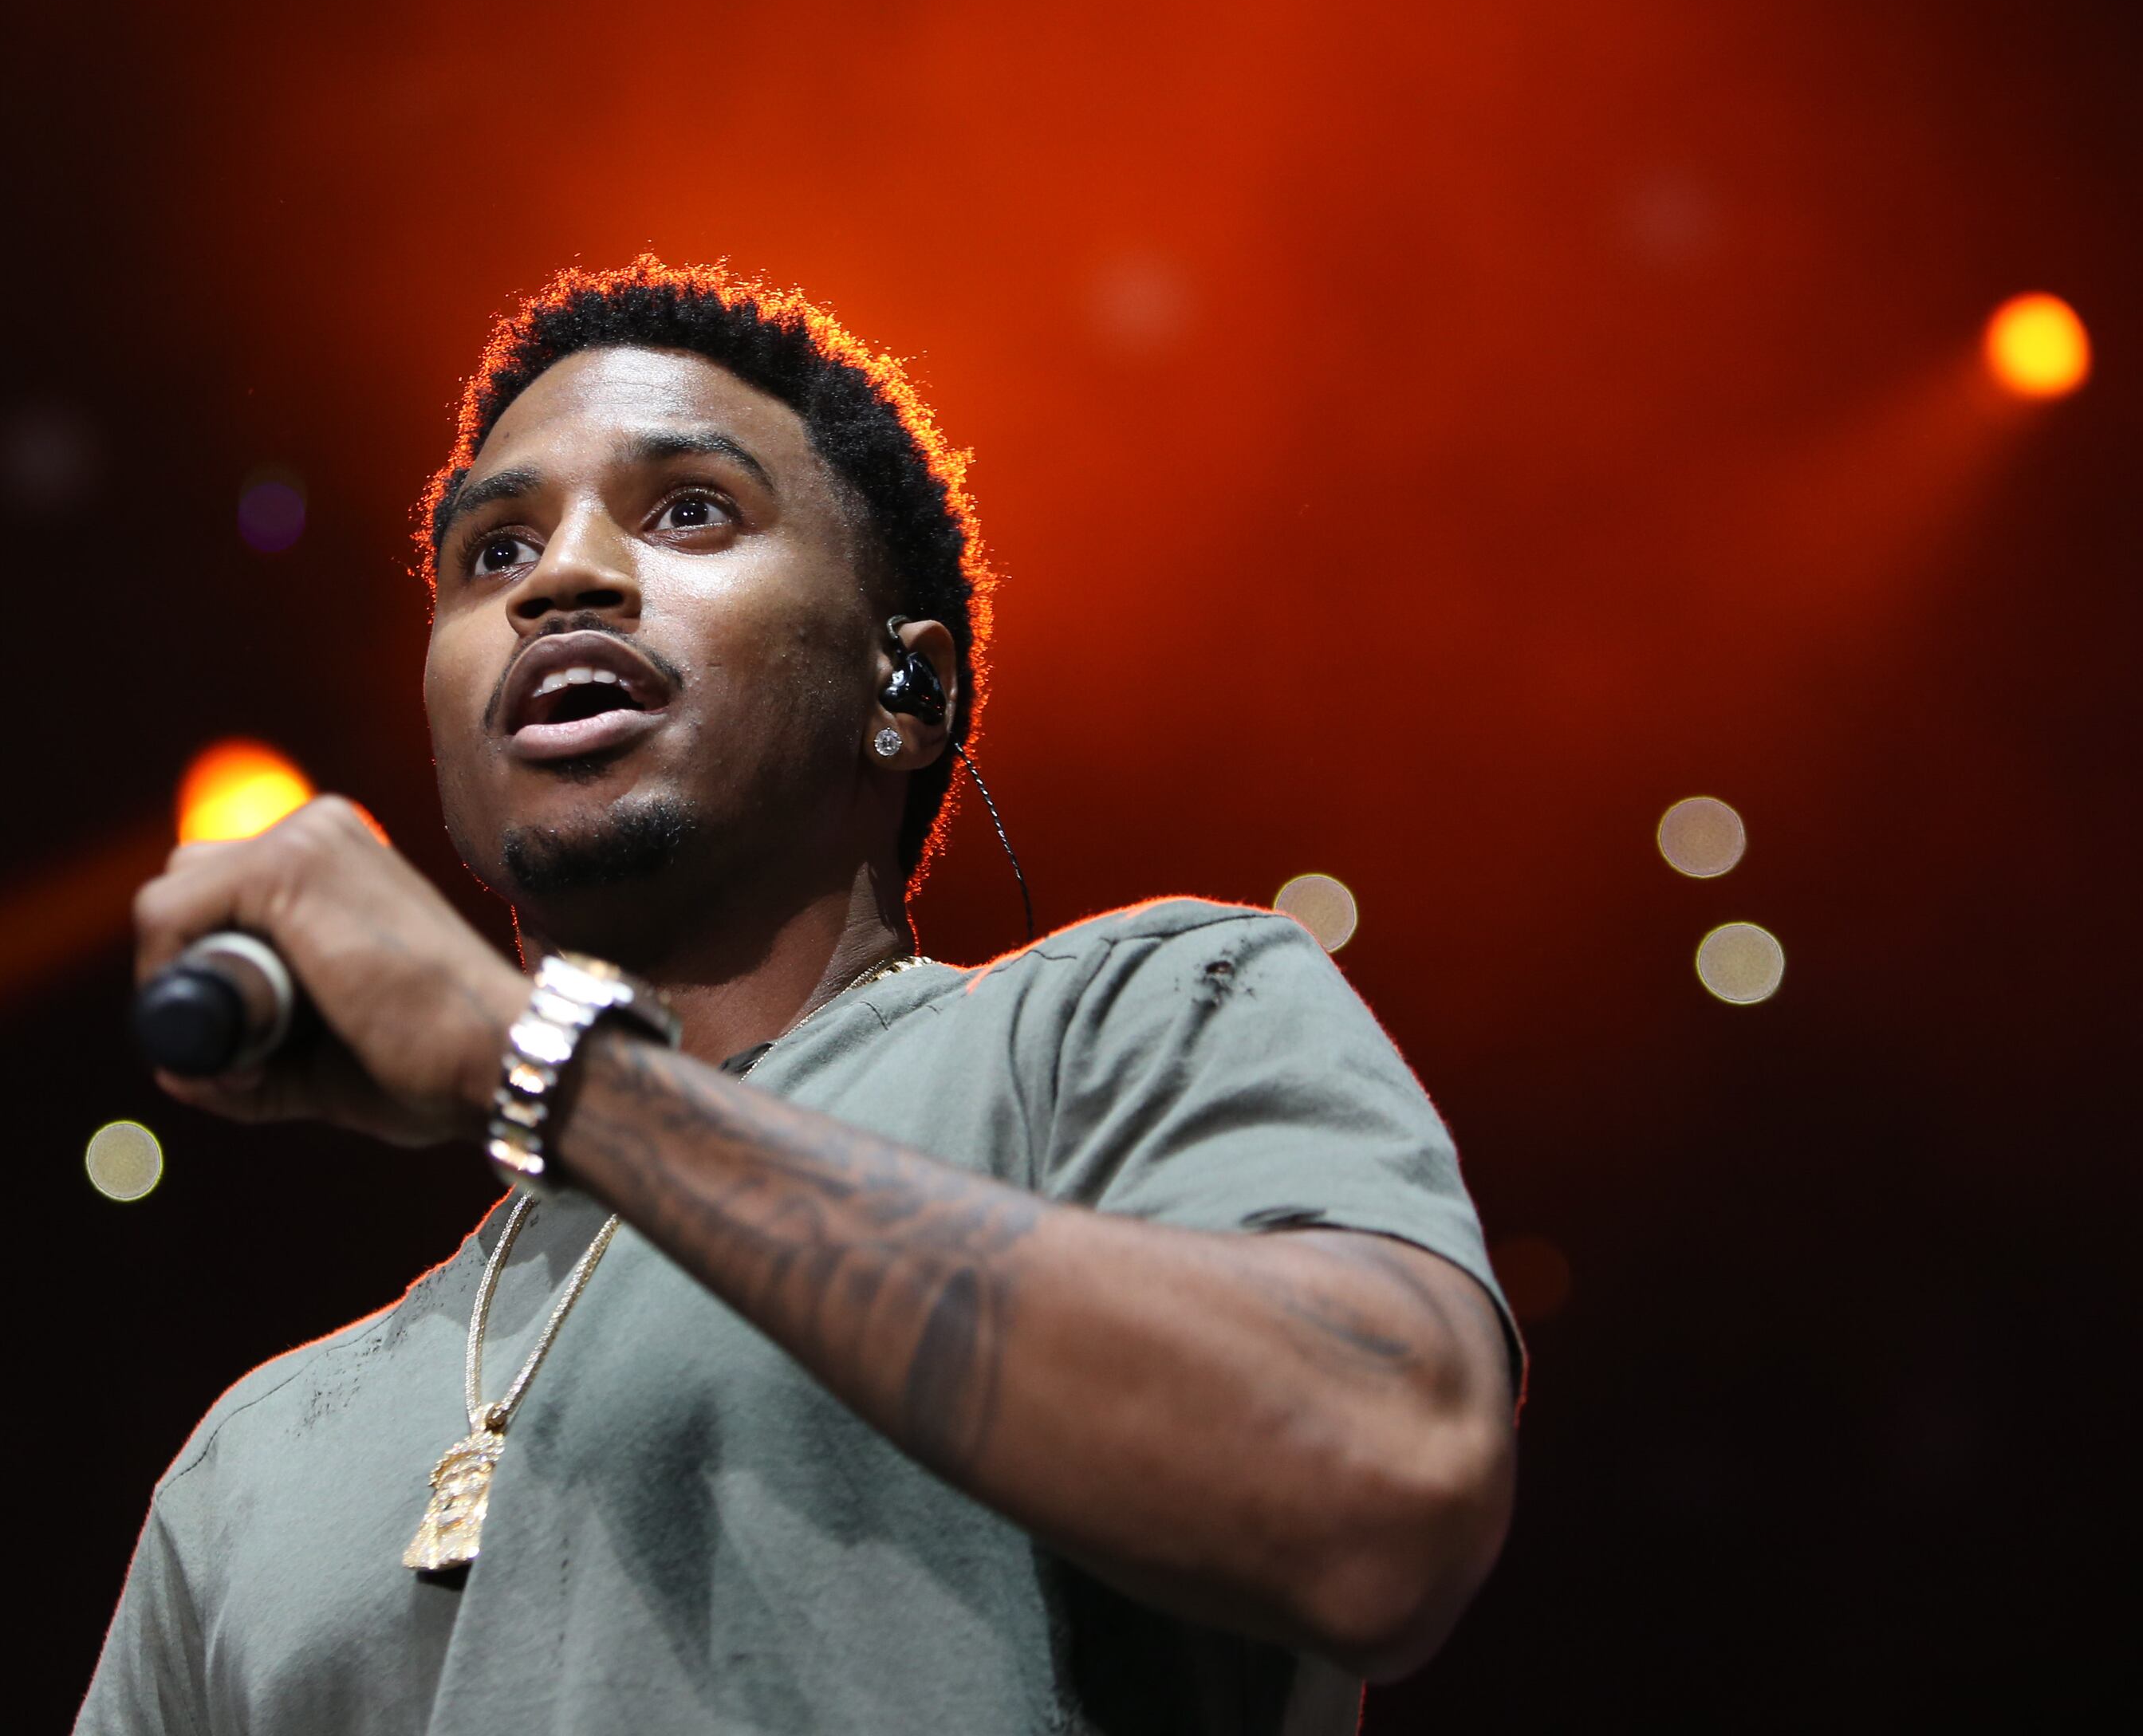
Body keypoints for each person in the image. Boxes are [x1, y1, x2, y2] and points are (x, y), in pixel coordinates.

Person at [81, 258, 1518, 1734]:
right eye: (495, 552)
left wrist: (555, 1072)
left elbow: (1384, 1493)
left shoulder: (1129, 1021)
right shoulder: (250, 1464)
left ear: (908, 691)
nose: (561, 579)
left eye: (690, 510)